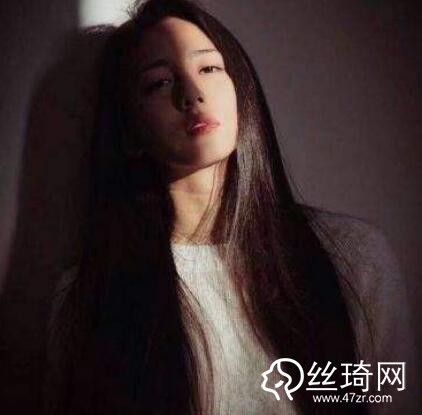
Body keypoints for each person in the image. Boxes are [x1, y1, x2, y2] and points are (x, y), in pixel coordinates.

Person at [42, 0, 417, 414]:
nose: (192, 94)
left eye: (208, 68)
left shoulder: (352, 257)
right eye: (159, 83)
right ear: (129, 132)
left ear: (241, 90)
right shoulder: (89, 297)